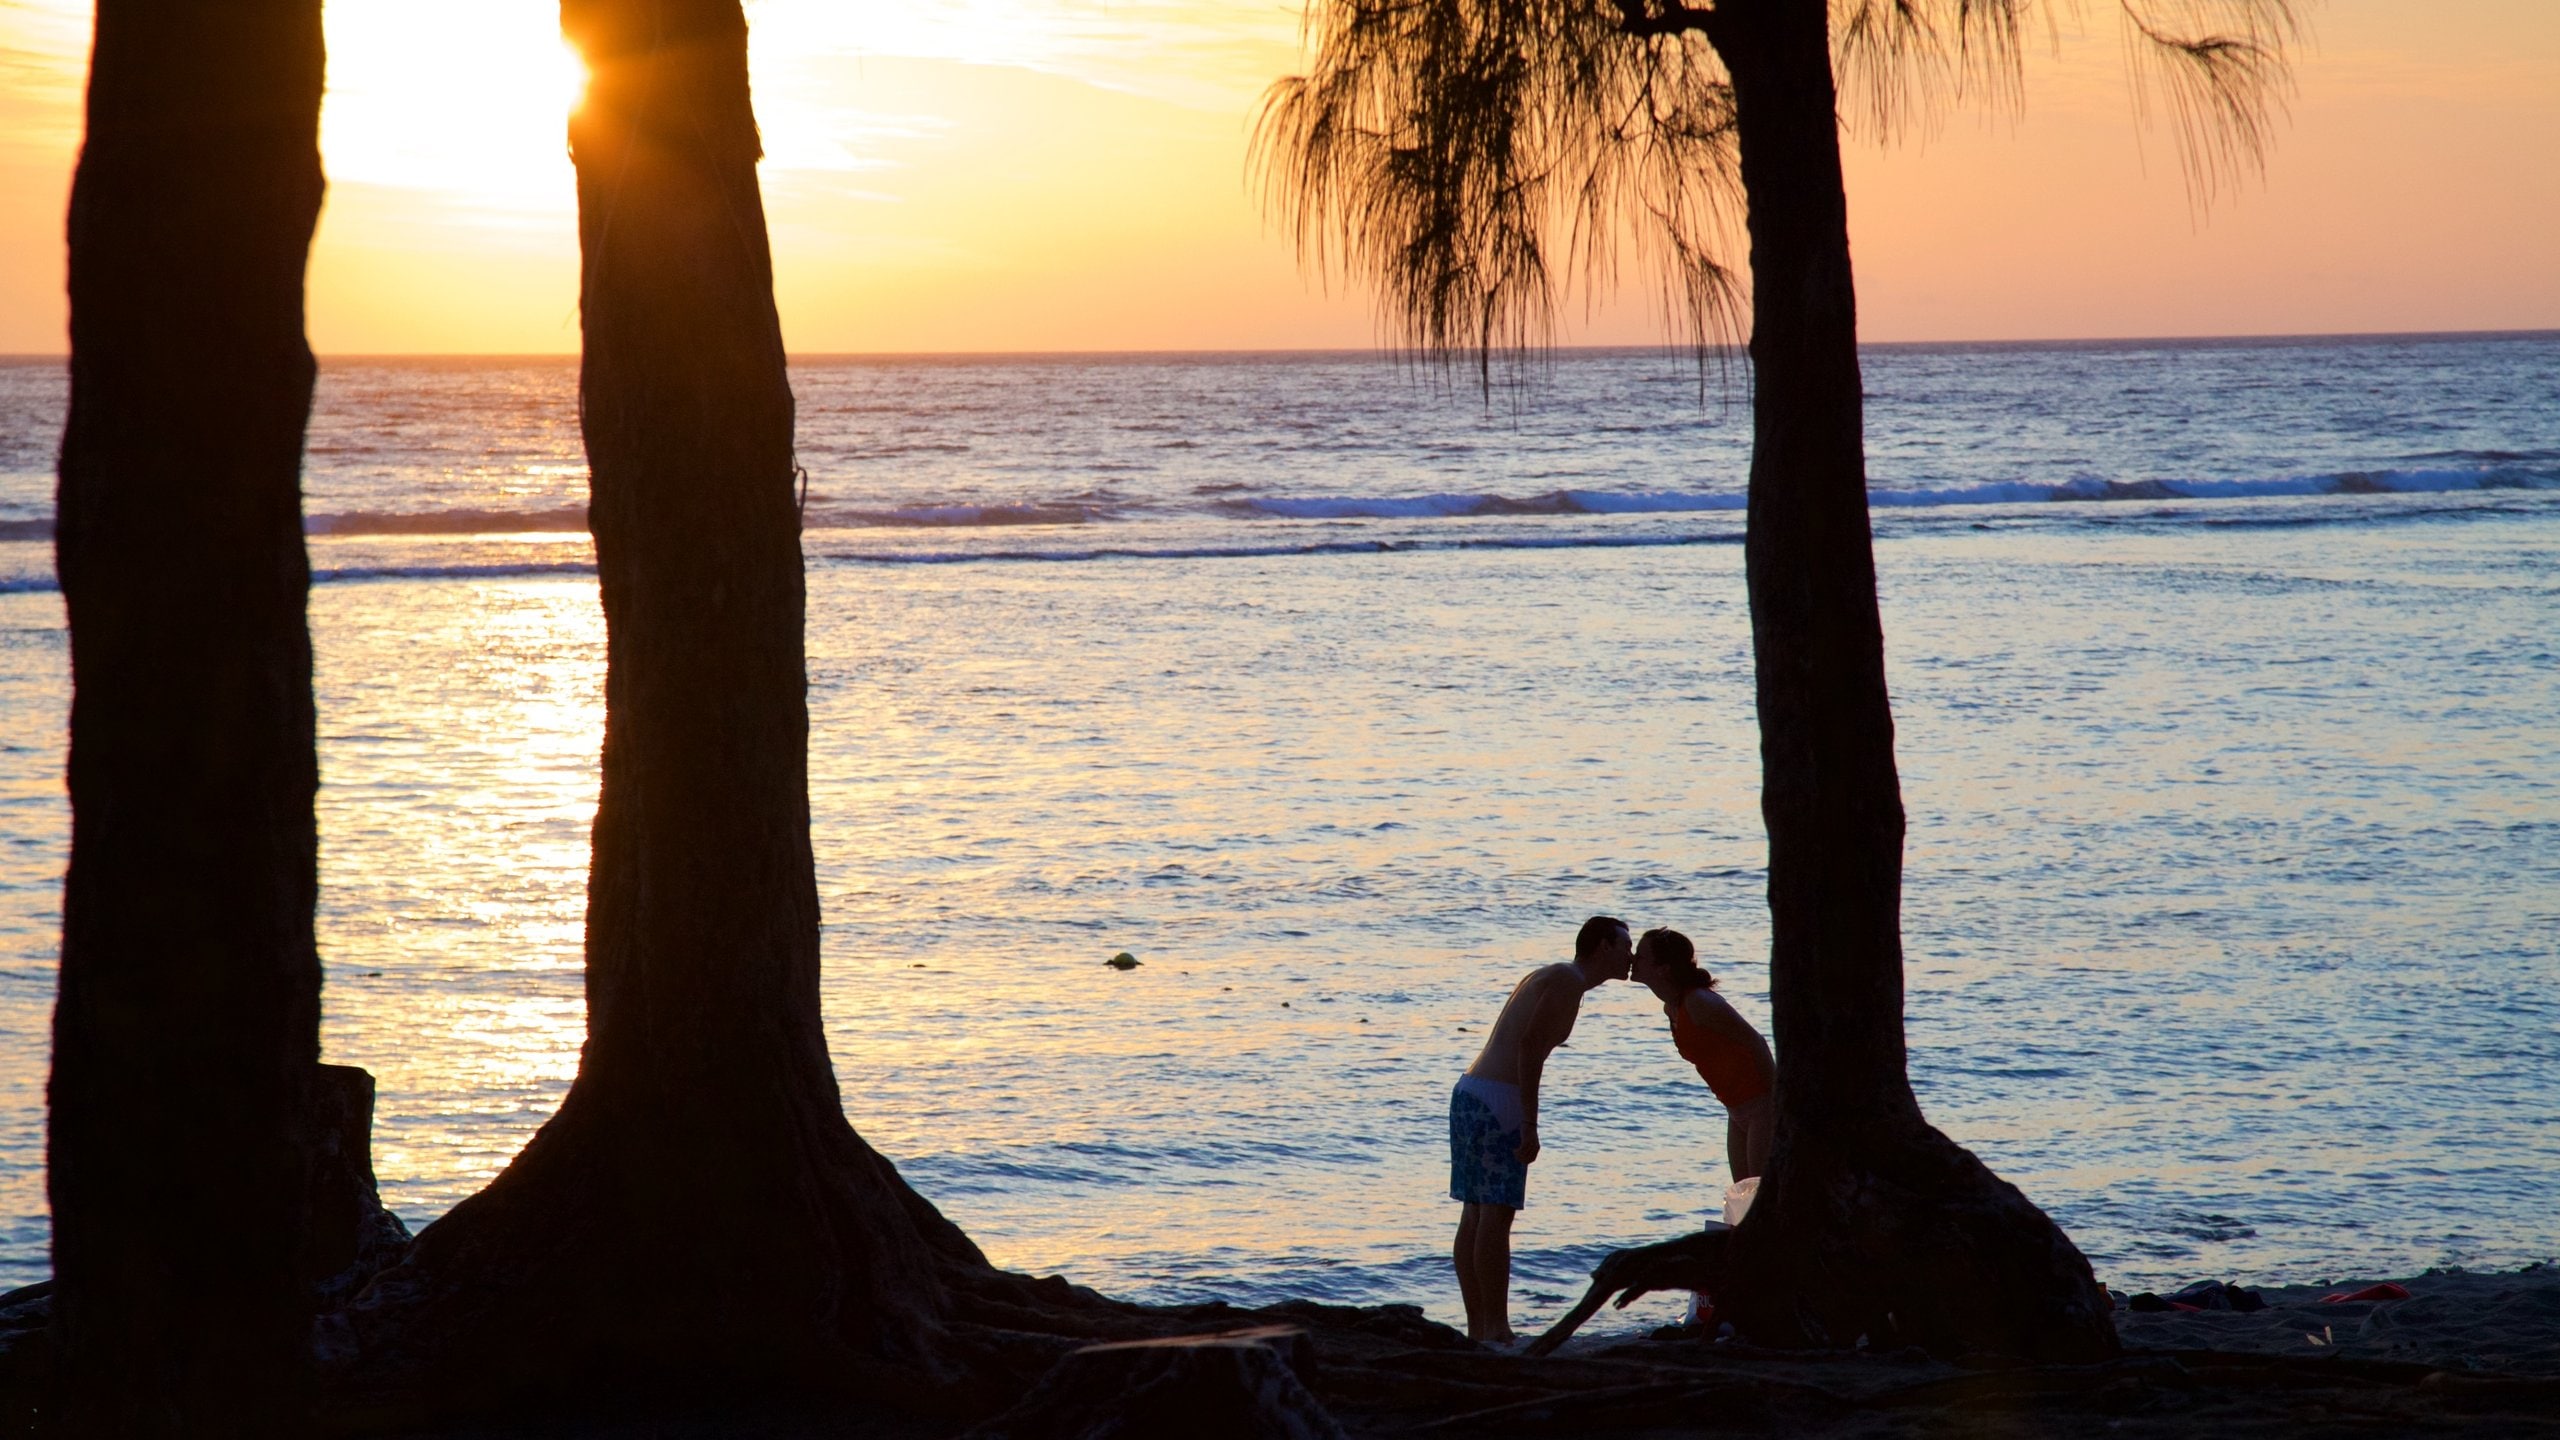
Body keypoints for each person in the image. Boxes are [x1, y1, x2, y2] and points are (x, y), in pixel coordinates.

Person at [1448, 915, 1633, 1344]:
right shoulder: (1567, 981)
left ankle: (1479, 1329)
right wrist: (1530, 1124)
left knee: (1476, 1213)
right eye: (1625, 945)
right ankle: (1495, 1326)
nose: (1631, 955)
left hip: (1472, 1092)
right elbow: (1530, 1051)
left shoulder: (1556, 976)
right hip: (1498, 1099)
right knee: (1494, 1215)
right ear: (1602, 947)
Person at [1632, 927, 1775, 1182]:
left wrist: (1779, 1104)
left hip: (1761, 1108)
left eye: (1640, 956)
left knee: (1759, 1192)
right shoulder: (1671, 1008)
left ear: (1663, 969)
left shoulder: (1699, 1002)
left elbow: (1757, 1043)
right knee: (1742, 1195)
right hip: (1735, 1109)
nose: (1633, 959)